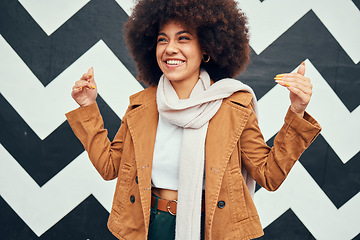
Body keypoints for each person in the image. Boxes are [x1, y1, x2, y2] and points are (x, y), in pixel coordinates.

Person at [65, 0, 321, 239]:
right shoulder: (141, 106)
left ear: (207, 48)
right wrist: (88, 107)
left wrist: (296, 112)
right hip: (150, 226)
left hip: (211, 228)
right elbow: (110, 166)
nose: (170, 49)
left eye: (183, 38)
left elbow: (269, 175)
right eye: (162, 40)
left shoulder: (234, 106)